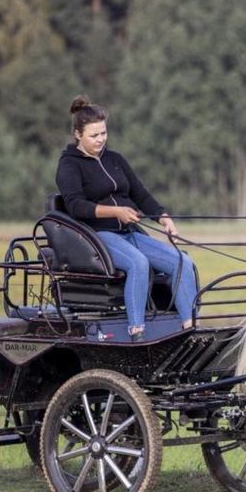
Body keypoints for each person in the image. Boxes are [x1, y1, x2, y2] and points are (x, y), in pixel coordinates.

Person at [55, 96, 197, 341]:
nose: (101, 139)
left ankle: (190, 329)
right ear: (78, 135)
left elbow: (139, 193)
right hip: (97, 236)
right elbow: (76, 206)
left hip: (130, 233)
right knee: (138, 264)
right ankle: (137, 332)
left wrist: (162, 217)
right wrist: (116, 212)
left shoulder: (115, 160)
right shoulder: (69, 165)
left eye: (103, 133)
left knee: (181, 261)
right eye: (94, 135)